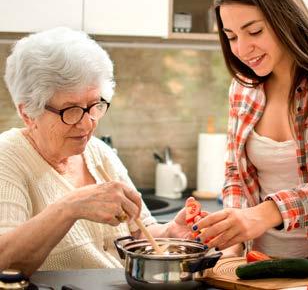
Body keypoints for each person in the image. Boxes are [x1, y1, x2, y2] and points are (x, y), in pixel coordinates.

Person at [0, 27, 192, 276]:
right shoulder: (8, 158)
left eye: (94, 105)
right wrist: (70, 207)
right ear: (27, 113)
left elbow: (140, 232)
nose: (87, 122)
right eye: (70, 110)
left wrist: (169, 234)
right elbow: (4, 260)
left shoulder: (98, 152)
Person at [192, 0, 308, 258]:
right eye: (231, 37)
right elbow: (236, 171)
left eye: (254, 31)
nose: (242, 49)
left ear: (286, 18)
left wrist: (266, 213)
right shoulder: (243, 89)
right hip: (258, 264)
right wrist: (232, 239)